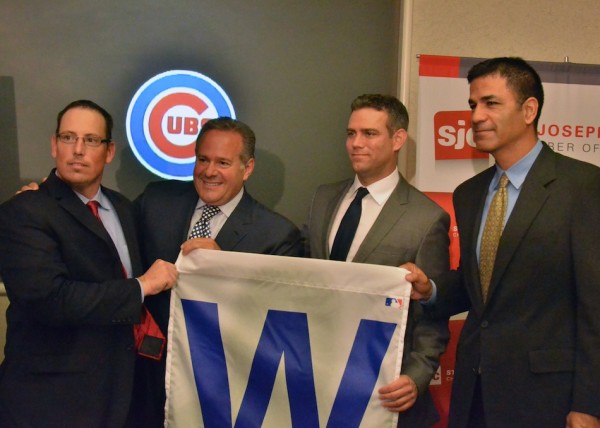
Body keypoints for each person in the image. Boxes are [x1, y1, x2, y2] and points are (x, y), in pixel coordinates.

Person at [405, 57, 600, 428]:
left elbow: (596, 306)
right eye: (472, 105)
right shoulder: (469, 193)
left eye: (491, 103)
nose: (476, 116)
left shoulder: (584, 188)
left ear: (529, 110)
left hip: (548, 401)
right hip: (474, 392)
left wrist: (590, 404)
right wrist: (429, 288)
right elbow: (478, 287)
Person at [0, 100, 178, 428]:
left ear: (109, 152)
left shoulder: (124, 208)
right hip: (50, 401)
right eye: (68, 138)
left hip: (124, 395)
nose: (78, 150)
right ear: (54, 145)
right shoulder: (24, 210)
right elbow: (50, 300)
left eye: (91, 140)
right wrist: (142, 286)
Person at [134, 116, 304, 426]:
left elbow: (277, 327)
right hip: (146, 386)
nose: (209, 171)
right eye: (203, 159)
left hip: (222, 395)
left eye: (223, 162)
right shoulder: (157, 200)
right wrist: (44, 197)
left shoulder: (278, 235)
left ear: (247, 168)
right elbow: (108, 235)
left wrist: (225, 267)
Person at [304, 94, 451, 427]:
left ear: (398, 139)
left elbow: (433, 312)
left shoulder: (427, 218)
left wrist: (416, 376)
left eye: (369, 134)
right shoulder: (322, 198)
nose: (356, 143)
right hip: (313, 377)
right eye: (351, 133)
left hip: (382, 388)